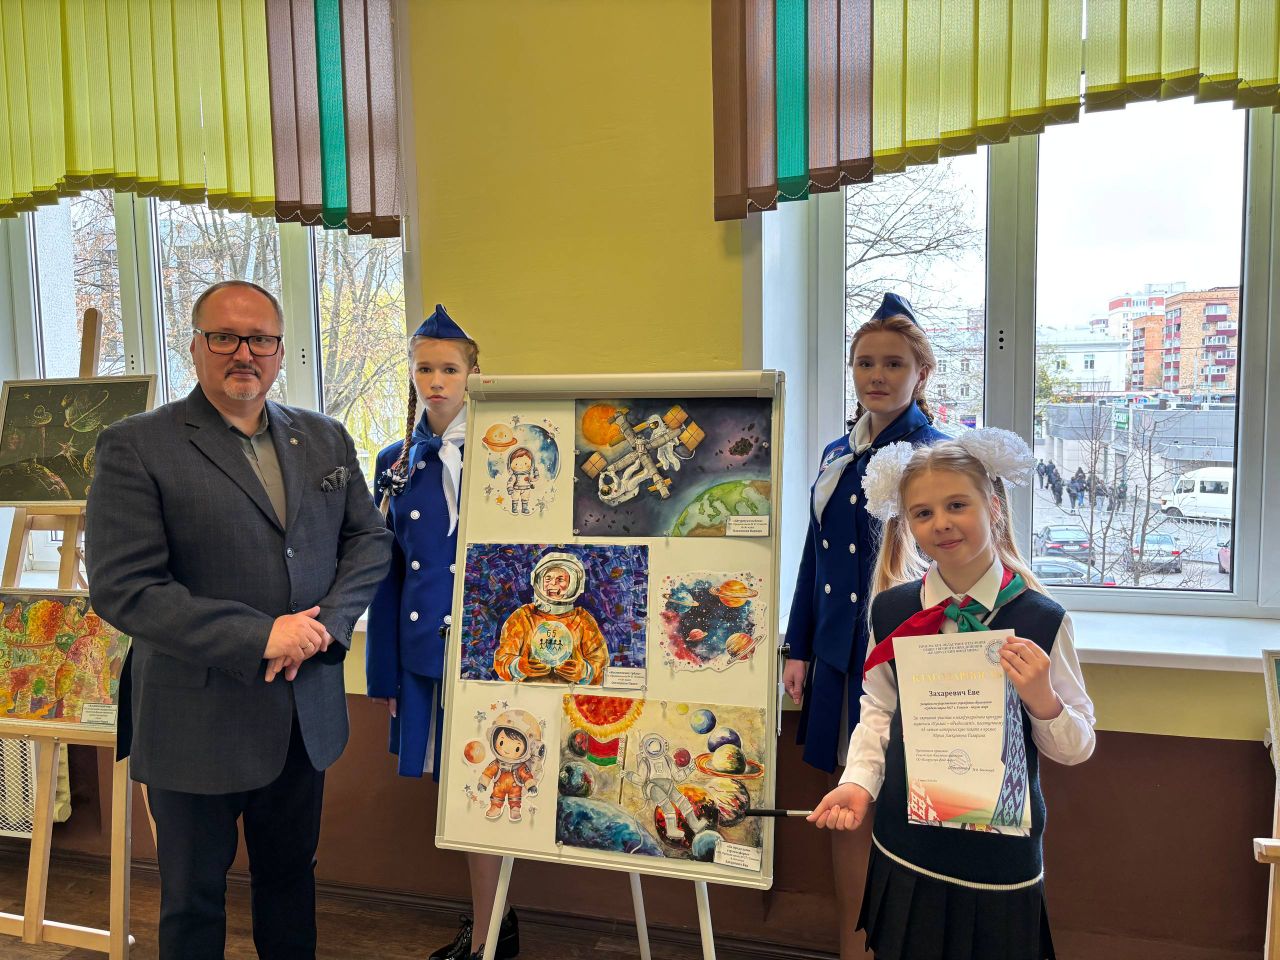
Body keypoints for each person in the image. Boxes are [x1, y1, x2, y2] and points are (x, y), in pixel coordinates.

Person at [85, 280, 393, 960]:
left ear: (280, 350)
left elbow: (369, 541)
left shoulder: (323, 437)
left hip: (301, 714)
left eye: (260, 339)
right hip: (194, 719)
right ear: (195, 346)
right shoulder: (136, 445)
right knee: (193, 899)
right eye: (224, 337)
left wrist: (326, 624)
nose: (243, 353)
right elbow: (125, 588)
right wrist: (261, 635)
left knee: (290, 881)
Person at [808, 430, 1096, 960]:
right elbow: (878, 713)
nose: (940, 523)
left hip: (997, 856)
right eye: (922, 513)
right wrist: (858, 784)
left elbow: (1076, 747)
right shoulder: (891, 612)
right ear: (907, 524)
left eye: (957, 505)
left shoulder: (1041, 619)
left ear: (994, 508)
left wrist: (1042, 700)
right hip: (907, 843)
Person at [780, 293, 949, 959]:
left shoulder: (936, 457)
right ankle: (854, 951)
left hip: (906, 658)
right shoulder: (836, 452)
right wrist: (798, 646)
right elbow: (814, 553)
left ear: (920, 373)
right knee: (845, 810)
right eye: (865, 362)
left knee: (908, 810)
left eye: (894, 364)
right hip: (835, 658)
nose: (877, 375)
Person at [365, 305, 519, 960]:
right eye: (425, 368)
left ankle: (489, 935)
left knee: (493, 790)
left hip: (499, 654)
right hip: (426, 655)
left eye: (450, 369)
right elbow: (385, 575)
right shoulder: (394, 461)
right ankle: (492, 930)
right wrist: (385, 674)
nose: (436, 380)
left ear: (473, 375)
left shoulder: (512, 452)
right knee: (459, 796)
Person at [493, 551, 609, 685]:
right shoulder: (523, 616)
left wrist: (585, 671)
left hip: (570, 693)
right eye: (548, 579)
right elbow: (502, 658)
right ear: (538, 581)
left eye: (560, 579)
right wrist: (518, 667)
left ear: (573, 584)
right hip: (528, 692)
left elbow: (601, 662)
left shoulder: (582, 620)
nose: (553, 583)